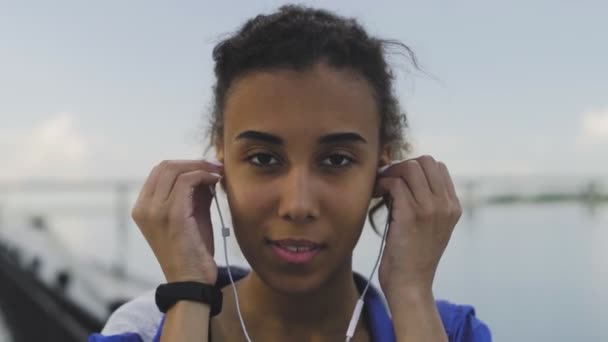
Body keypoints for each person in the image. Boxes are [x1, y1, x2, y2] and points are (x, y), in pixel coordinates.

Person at [89, 4, 491, 342]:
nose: (298, 205)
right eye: (264, 159)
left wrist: (409, 293)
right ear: (221, 158)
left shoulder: (451, 331)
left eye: (336, 160)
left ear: (382, 168)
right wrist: (188, 292)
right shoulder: (142, 330)